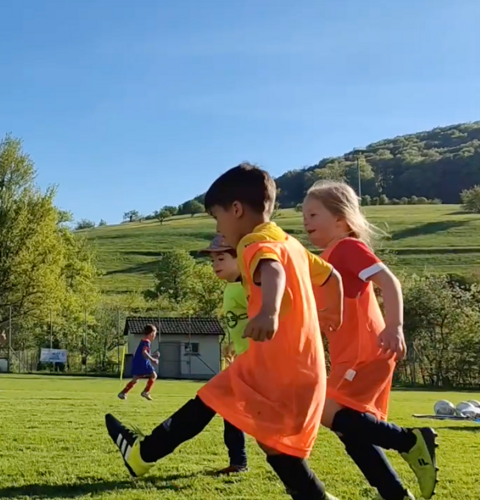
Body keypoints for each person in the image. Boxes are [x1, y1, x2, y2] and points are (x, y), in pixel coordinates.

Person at [105, 162, 345, 500]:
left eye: (217, 218)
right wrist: (334, 311)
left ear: (236, 210)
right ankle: (315, 497)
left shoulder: (252, 244)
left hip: (273, 368)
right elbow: (332, 275)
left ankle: (141, 455)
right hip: (302, 366)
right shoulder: (291, 244)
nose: (219, 227)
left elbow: (271, 270)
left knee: (210, 402)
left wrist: (269, 312)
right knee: (269, 442)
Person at [303, 180, 437, 500]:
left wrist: (395, 326)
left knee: (324, 409)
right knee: (348, 428)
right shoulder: (328, 257)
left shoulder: (348, 247)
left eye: (313, 214)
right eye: (303, 216)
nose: (305, 222)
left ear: (341, 220)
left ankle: (410, 441)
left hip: (368, 349)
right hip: (353, 352)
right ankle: (395, 494)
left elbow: (389, 282)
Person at [201, 233, 249, 475]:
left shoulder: (249, 286)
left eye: (221, 258)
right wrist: (232, 345)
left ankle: (239, 462)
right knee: (229, 408)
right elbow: (238, 321)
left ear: (241, 259)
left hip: (260, 364)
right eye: (212, 261)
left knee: (222, 403)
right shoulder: (230, 288)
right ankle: (238, 462)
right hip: (243, 361)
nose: (215, 265)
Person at [118, 325, 160, 401]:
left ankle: (123, 393)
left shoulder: (143, 341)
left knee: (135, 379)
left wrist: (153, 355)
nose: (155, 335)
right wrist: (153, 359)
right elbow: (144, 353)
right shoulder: (147, 342)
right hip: (143, 362)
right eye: (155, 332)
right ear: (151, 333)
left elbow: (143, 352)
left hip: (138, 361)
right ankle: (146, 392)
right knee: (154, 375)